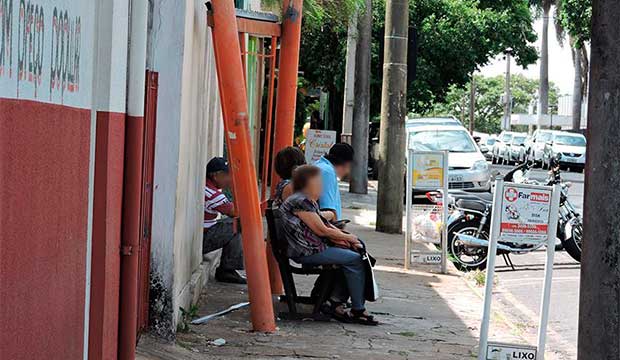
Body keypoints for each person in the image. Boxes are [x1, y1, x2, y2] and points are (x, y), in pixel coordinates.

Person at [279, 165, 378, 325]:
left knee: (354, 254)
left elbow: (324, 225)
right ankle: (356, 309)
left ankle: (335, 301)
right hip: (307, 251)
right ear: (308, 182)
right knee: (354, 259)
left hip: (312, 247)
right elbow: (323, 230)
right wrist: (351, 238)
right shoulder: (300, 201)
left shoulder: (306, 200)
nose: (322, 185)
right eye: (318, 181)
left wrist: (345, 239)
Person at [203, 157, 246, 284]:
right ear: (217, 175)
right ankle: (227, 270)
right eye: (228, 175)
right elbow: (237, 212)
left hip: (205, 233)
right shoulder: (213, 194)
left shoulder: (208, 187)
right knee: (238, 224)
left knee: (232, 223)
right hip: (204, 239)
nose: (230, 179)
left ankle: (228, 269)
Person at [314, 143, 354, 220]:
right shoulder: (327, 172)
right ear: (346, 164)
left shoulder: (319, 165)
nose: (347, 172)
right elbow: (328, 209)